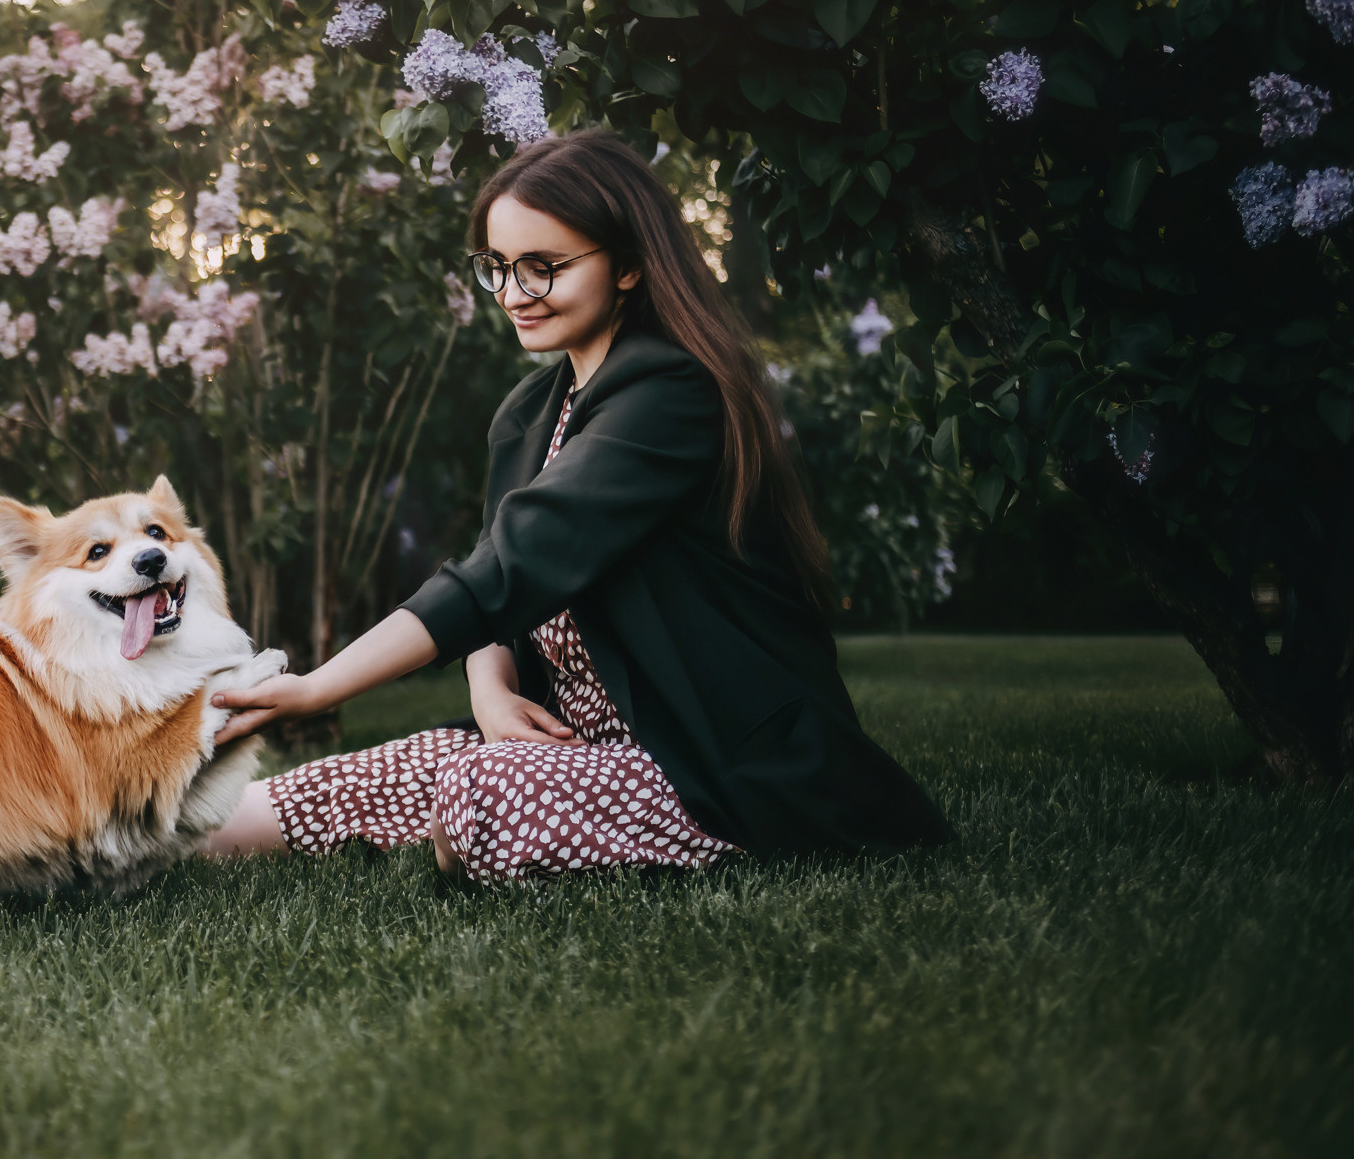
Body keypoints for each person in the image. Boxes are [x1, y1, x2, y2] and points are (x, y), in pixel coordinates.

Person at [204, 129, 949, 882]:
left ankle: (482, 825)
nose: (512, 294)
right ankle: (95, 853)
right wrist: (490, 695)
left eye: (543, 268)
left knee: (474, 789)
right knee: (235, 815)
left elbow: (515, 560)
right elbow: (496, 576)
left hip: (709, 764)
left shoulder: (673, 397)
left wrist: (317, 687)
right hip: (567, 747)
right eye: (496, 267)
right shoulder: (531, 411)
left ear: (627, 265)